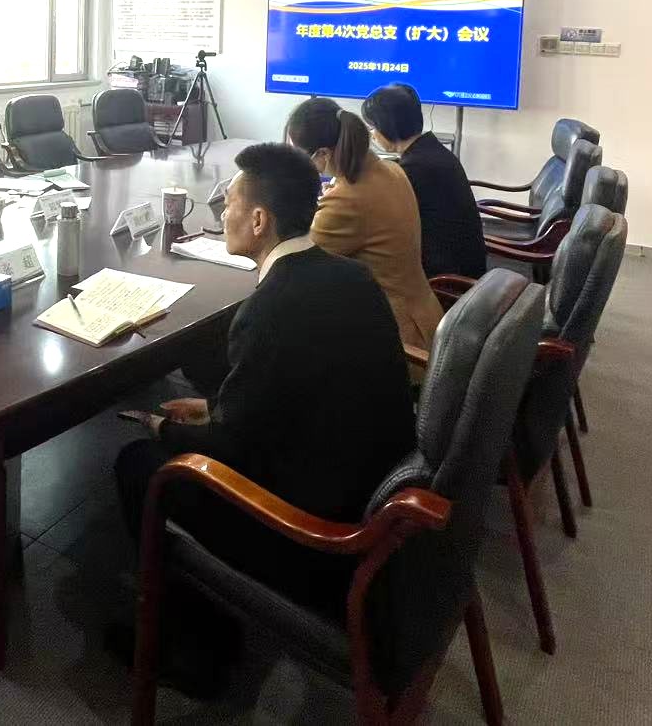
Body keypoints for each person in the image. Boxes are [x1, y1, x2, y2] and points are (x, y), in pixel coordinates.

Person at [113, 143, 416, 693]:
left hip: (316, 537)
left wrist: (164, 429)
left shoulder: (269, 308)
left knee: (140, 466)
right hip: (367, 495)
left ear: (259, 220)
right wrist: (216, 406)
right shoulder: (352, 277)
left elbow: (231, 447)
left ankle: (192, 643)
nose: (221, 212)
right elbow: (293, 388)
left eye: (229, 203)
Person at [285, 96, 445, 355]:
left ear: (323, 154)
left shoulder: (348, 199)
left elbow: (296, 262)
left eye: (301, 156)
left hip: (395, 340)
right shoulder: (390, 169)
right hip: (425, 320)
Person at [363, 82, 488, 279]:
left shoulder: (415, 168)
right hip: (464, 264)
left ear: (387, 127)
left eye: (372, 128)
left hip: (445, 277)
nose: (373, 135)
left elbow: (379, 220)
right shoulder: (430, 151)